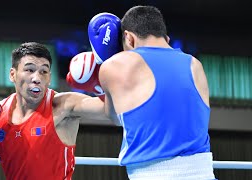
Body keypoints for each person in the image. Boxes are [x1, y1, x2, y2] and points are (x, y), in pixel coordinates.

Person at [89, 5, 216, 180]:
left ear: (129, 38)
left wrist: (102, 66)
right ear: (167, 39)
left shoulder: (115, 65)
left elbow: (114, 117)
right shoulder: (195, 65)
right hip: (204, 174)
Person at [0, 42, 111, 180]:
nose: (37, 78)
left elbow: (113, 113)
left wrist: (99, 86)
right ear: (12, 75)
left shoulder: (63, 105)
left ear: (49, 78)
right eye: (29, 69)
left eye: (44, 71)